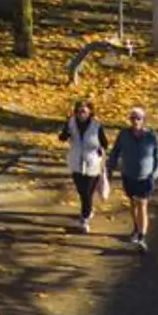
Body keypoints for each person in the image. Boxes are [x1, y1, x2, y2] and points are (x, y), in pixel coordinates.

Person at [109, 106, 158, 249]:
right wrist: (109, 168)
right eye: (133, 118)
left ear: (143, 120)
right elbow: (115, 151)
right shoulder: (124, 135)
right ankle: (136, 228)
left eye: (138, 118)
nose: (135, 121)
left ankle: (142, 236)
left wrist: (154, 174)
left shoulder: (151, 137)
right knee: (133, 203)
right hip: (128, 175)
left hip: (145, 177)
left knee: (142, 204)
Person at [64, 98, 109, 232]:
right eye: (78, 111)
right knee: (81, 191)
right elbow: (62, 137)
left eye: (84, 111)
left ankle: (85, 218)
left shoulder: (96, 125)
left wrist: (99, 148)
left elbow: (105, 143)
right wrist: (66, 133)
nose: (81, 114)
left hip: (92, 162)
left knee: (86, 193)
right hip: (76, 162)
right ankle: (88, 210)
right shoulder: (70, 123)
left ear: (90, 112)